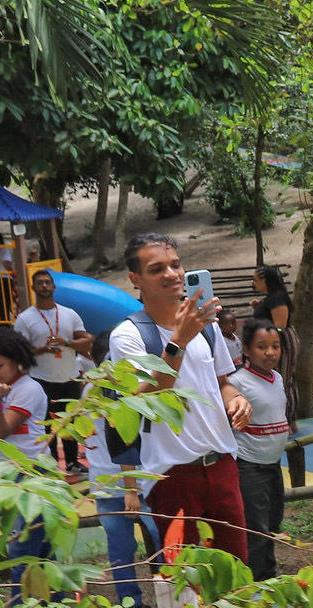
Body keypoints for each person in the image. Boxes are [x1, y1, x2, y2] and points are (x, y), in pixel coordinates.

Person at [108, 233, 253, 565]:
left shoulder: (206, 326)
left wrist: (238, 398)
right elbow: (145, 401)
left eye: (175, 265)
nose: (171, 274)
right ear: (135, 279)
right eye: (157, 269)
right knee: (184, 580)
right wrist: (178, 342)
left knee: (236, 571)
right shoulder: (128, 336)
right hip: (173, 474)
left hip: (222, 464)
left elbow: (221, 383)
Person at [0, 325, 53, 564]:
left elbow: (2, 430)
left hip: (28, 470)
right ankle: (51, 596)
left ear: (16, 360)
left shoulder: (27, 388)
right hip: (15, 468)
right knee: (39, 540)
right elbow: (3, 428)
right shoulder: (9, 388)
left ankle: (20, 599)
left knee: (22, 543)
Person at [13, 269, 93, 471]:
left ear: (54, 286)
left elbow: (87, 342)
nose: (44, 286)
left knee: (69, 422)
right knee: (46, 424)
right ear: (33, 287)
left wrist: (67, 342)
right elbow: (19, 352)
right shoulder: (24, 319)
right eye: (39, 283)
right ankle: (52, 463)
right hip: (42, 379)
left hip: (70, 377)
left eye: (48, 282)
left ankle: (73, 462)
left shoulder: (69, 314)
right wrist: (43, 349)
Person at [231, 319, 291, 580]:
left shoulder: (276, 378)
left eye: (275, 346)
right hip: (249, 465)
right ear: (246, 349)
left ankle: (269, 571)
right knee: (255, 527)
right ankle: (255, 582)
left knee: (273, 520)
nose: (270, 352)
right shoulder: (237, 383)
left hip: (273, 463)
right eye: (262, 346)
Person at [251, 264, 297, 415]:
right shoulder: (271, 298)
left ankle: (288, 420)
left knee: (284, 380)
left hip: (281, 341)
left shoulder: (278, 298)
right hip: (274, 342)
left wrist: (273, 345)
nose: (254, 283)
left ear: (266, 281)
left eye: (256, 280)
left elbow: (280, 325)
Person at [216, 307, 245, 373]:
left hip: (239, 366)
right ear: (220, 325)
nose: (231, 326)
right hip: (230, 370)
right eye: (227, 324)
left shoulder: (235, 337)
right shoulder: (222, 341)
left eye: (233, 323)